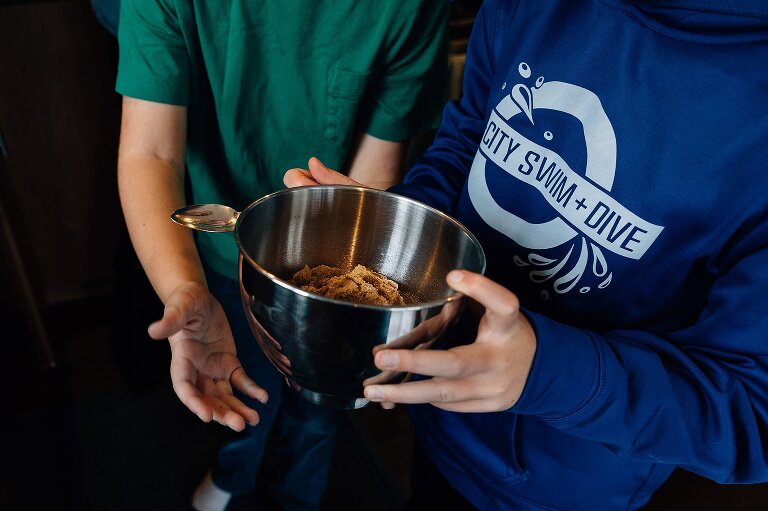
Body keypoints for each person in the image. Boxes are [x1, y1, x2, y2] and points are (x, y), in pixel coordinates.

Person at [284, 0, 768, 509]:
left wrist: (547, 373)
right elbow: (467, 145)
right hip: (437, 410)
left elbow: (752, 411)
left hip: (563, 480)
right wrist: (399, 227)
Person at [114, 1, 448, 510]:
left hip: (337, 260)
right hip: (221, 260)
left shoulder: (409, 9)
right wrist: (183, 287)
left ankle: (299, 494)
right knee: (241, 385)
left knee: (322, 410)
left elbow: (373, 176)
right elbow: (151, 152)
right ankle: (234, 472)